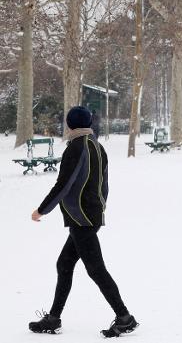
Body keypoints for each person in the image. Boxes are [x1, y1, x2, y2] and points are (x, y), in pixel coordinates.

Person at [28, 106, 138, 337]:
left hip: (82, 218)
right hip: (90, 216)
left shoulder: (76, 148)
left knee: (96, 269)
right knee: (64, 264)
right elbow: (104, 186)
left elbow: (63, 184)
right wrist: (100, 209)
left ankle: (125, 317)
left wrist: (41, 210)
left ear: (70, 125)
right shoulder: (98, 147)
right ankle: (54, 318)